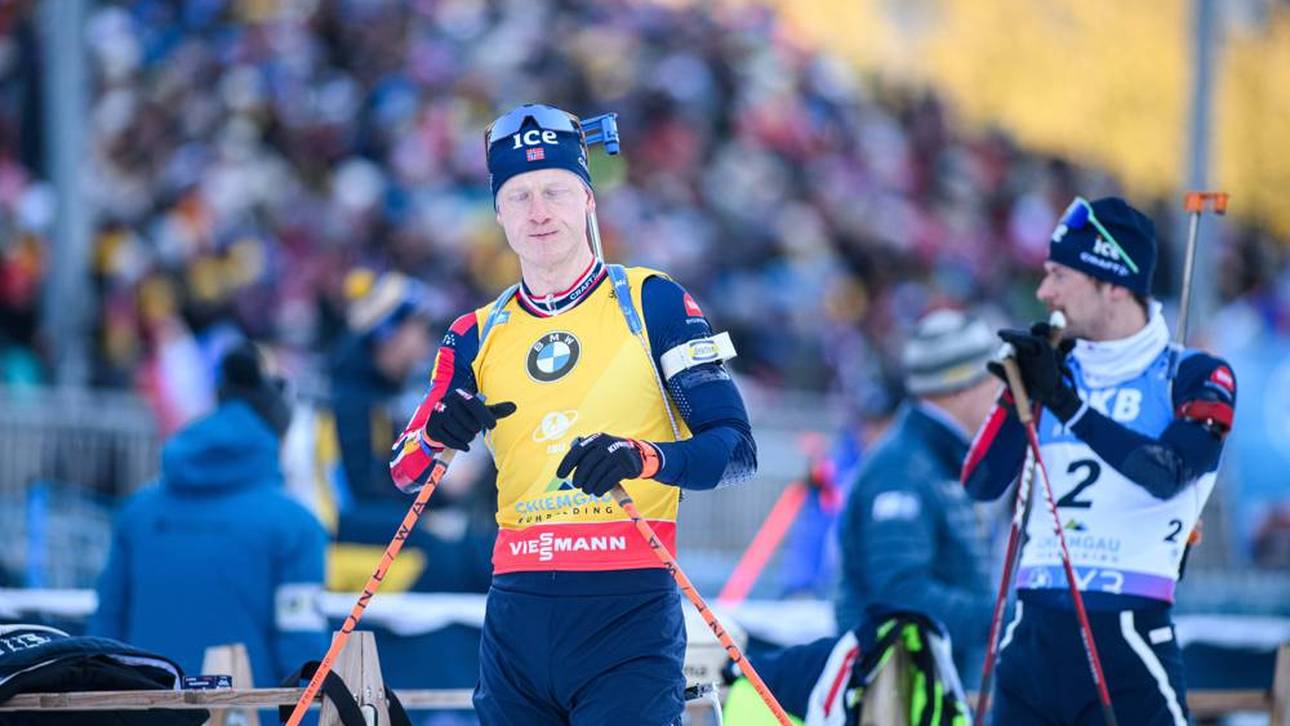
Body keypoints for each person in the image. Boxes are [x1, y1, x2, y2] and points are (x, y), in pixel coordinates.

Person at [388, 103, 757, 725]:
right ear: (498, 213)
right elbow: (404, 470)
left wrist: (644, 457)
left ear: (588, 200)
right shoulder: (474, 334)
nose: (538, 212)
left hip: (627, 614)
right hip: (516, 620)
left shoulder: (652, 301)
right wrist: (437, 432)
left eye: (555, 190)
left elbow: (736, 450)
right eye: (519, 195)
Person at [962, 197, 1237, 726]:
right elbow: (980, 481)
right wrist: (1017, 391)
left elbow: (1165, 473)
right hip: (1032, 642)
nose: (1044, 292)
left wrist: (1066, 404)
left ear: (1113, 284)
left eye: (1060, 275)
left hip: (1126, 636)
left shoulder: (1195, 375)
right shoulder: (1054, 368)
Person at [90, 343, 328, 687]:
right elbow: (302, 652)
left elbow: (105, 632)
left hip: (143, 712)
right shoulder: (295, 526)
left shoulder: (137, 513)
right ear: (278, 434)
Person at [835, 309, 998, 684]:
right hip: (900, 690)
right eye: (995, 378)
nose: (1002, 393)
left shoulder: (942, 457)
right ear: (960, 387)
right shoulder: (903, 466)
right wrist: (1004, 618)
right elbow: (899, 593)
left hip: (932, 683)